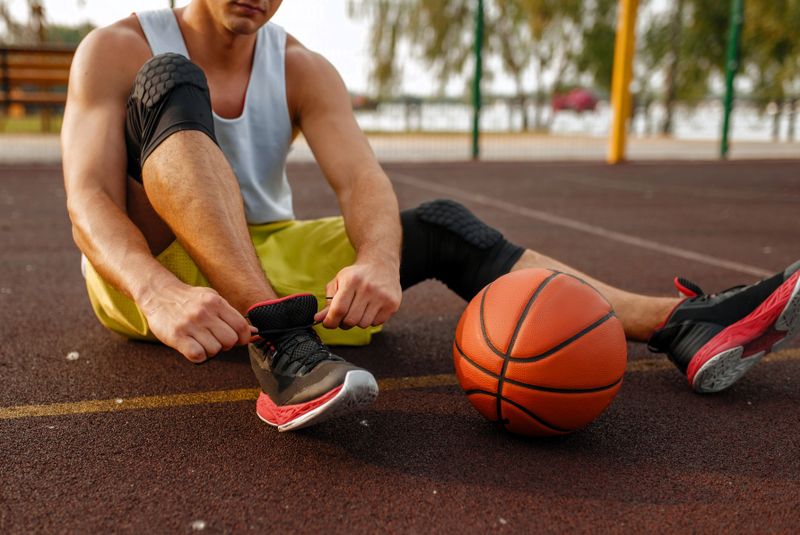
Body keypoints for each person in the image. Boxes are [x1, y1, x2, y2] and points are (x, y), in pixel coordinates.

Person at [62, 0, 800, 432]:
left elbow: (361, 181)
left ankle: (680, 324)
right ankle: (283, 350)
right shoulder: (116, 47)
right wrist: (154, 290)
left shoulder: (303, 67)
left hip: (257, 257)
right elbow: (87, 198)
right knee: (168, 80)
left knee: (441, 224)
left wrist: (380, 259)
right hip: (143, 274)